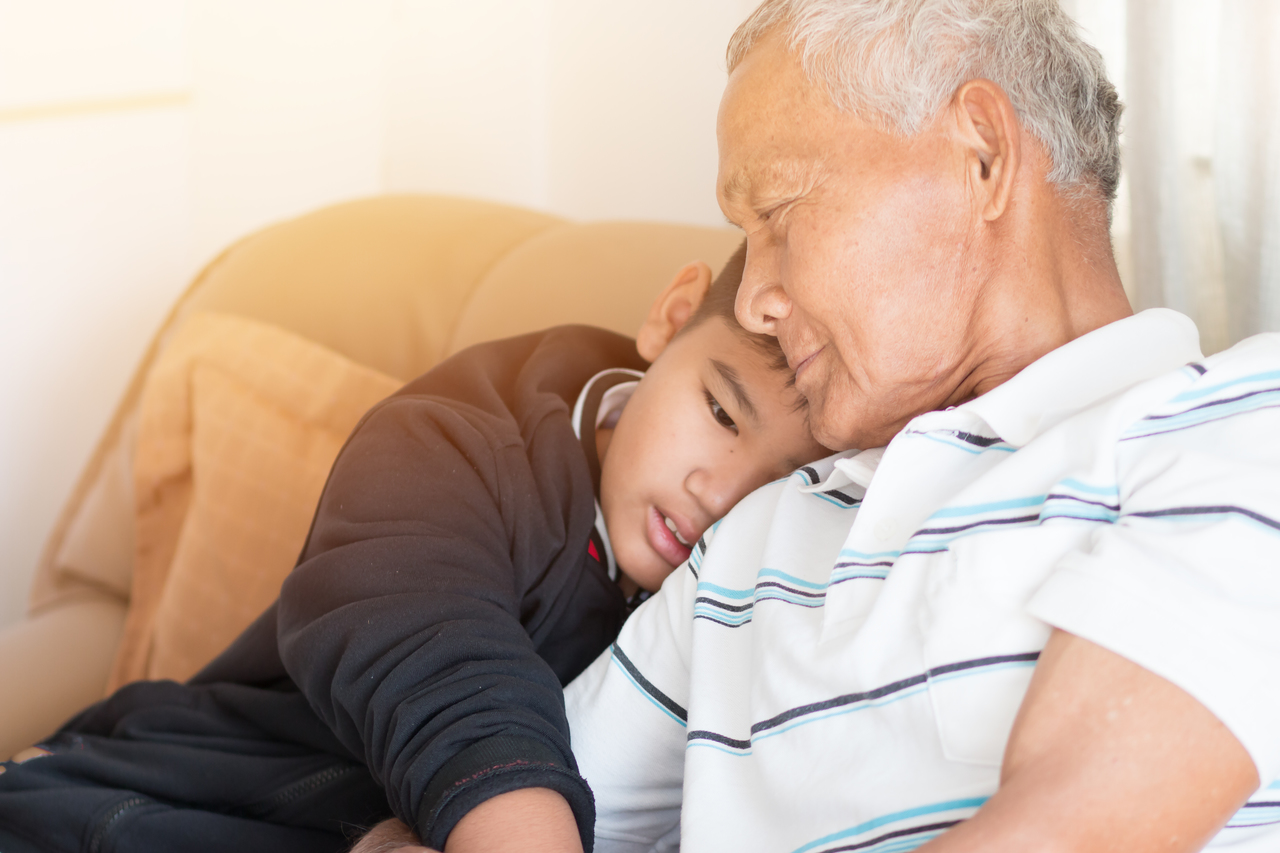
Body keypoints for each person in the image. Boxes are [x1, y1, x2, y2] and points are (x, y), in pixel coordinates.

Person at [561, 2, 1280, 852]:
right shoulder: (752, 537)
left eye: (779, 215)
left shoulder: (1232, 427)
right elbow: (504, 813)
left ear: (982, 154)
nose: (753, 300)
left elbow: (1066, 833)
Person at [0, 244, 828, 853]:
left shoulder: (763, 577)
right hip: (161, 799)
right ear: (674, 315)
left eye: (776, 483)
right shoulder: (453, 441)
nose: (720, 493)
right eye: (721, 414)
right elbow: (440, 655)